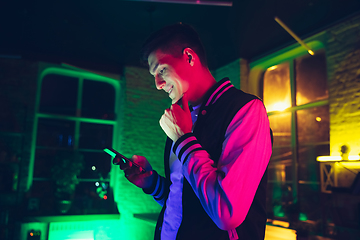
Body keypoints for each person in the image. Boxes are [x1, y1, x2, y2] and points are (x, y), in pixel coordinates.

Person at [119, 23, 272, 240]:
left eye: (161, 70)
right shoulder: (182, 118)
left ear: (190, 57)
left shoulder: (247, 110)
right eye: (154, 75)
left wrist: (183, 139)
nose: (158, 84)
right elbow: (186, 201)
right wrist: (152, 183)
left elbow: (226, 214)